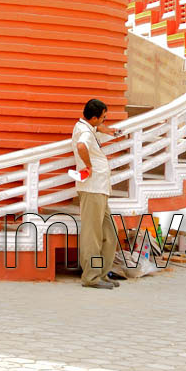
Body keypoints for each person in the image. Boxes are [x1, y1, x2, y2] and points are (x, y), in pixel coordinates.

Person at [72, 98, 123, 289]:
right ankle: (91, 278)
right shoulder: (84, 131)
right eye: (103, 117)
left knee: (110, 234)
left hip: (100, 189)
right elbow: (81, 146)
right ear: (93, 118)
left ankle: (102, 273)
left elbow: (95, 129)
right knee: (92, 236)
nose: (105, 120)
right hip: (92, 189)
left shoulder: (88, 127)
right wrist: (88, 165)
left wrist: (105, 129)